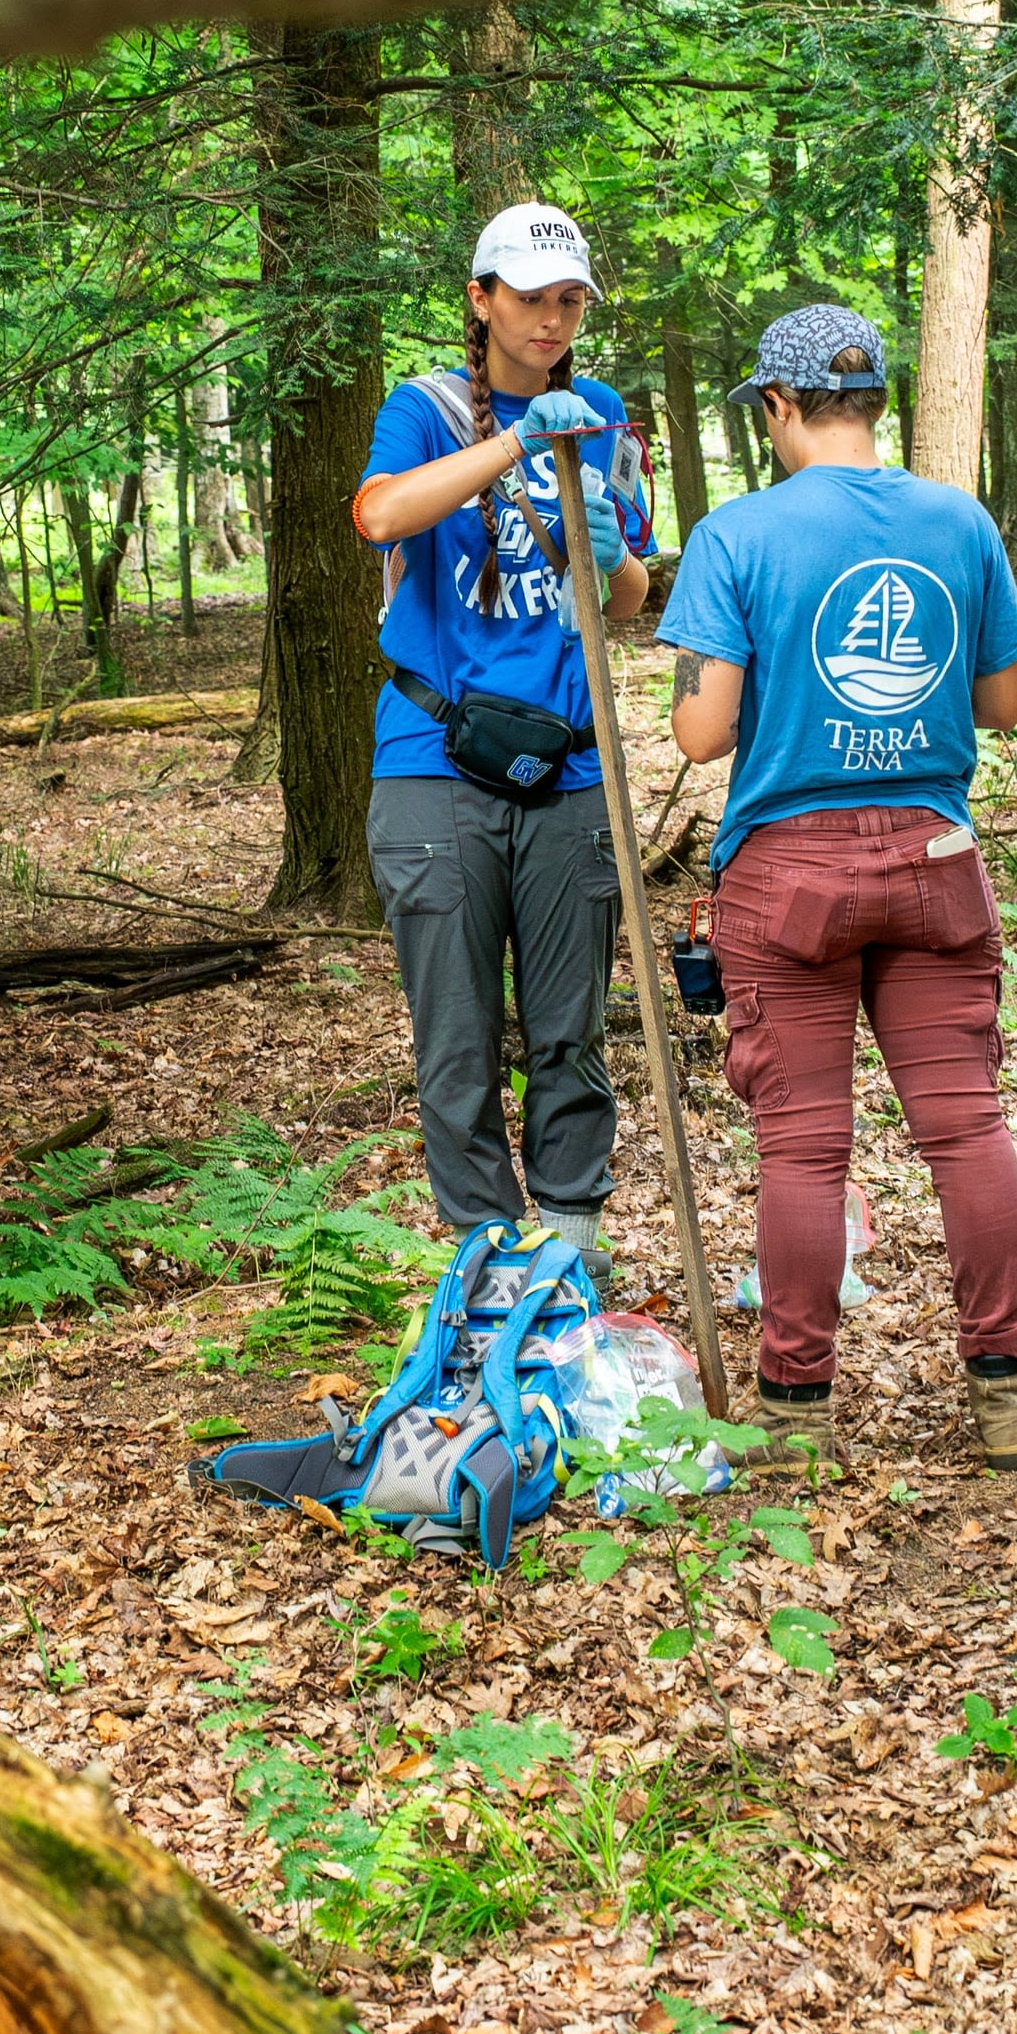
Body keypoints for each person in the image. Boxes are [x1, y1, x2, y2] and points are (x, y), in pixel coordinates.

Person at [657, 305, 1017, 1473]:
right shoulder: (959, 520)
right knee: (965, 1125)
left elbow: (702, 733)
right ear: (873, 401)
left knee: (805, 1149)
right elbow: (1001, 702)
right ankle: (1008, 1396)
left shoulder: (739, 534)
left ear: (778, 407)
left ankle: (792, 1411)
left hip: (790, 877)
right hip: (936, 861)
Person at [350, 202, 658, 1262]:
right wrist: (514, 445)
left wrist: (610, 551)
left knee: (571, 1030)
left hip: (571, 768)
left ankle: (569, 1253)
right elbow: (382, 516)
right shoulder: (424, 406)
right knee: (459, 1040)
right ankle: (487, 1266)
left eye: (570, 300)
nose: (553, 320)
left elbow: (626, 598)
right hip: (436, 761)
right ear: (480, 299)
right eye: (531, 298)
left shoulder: (602, 408)